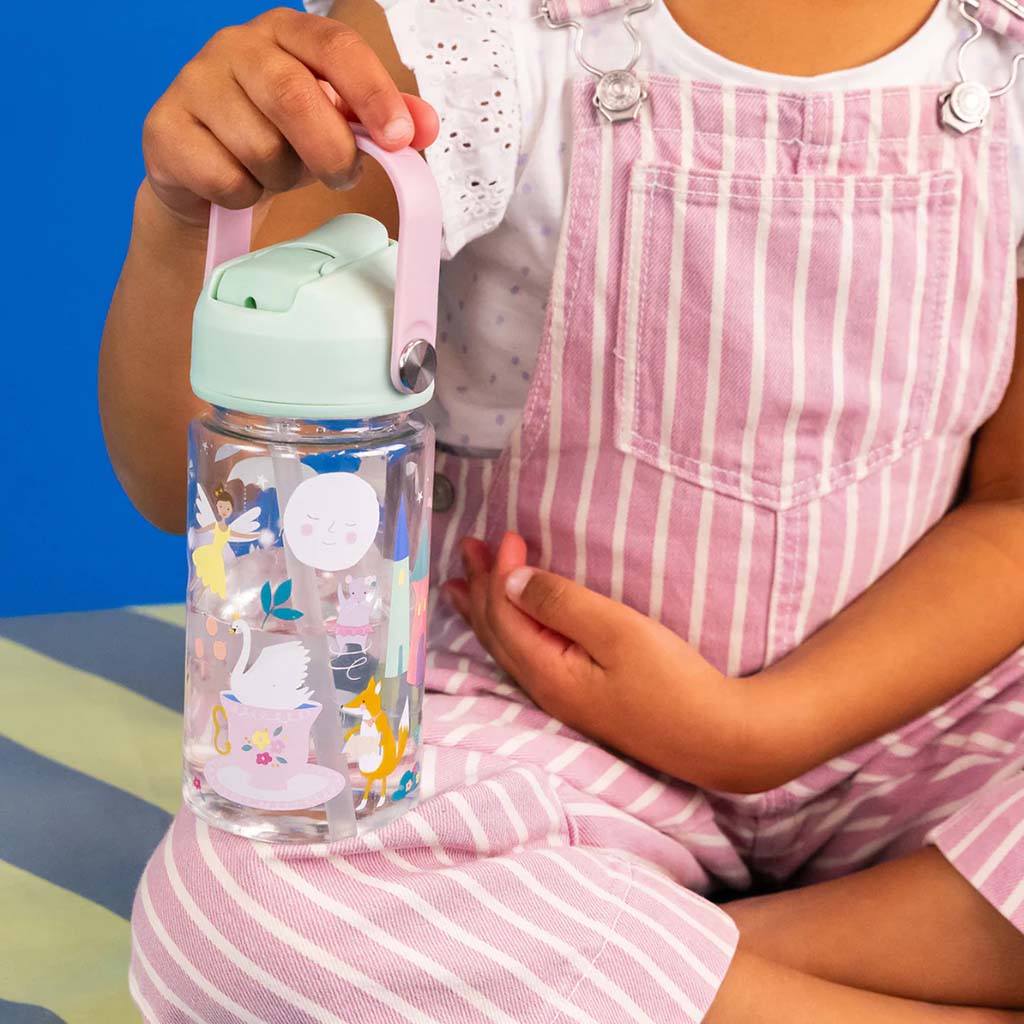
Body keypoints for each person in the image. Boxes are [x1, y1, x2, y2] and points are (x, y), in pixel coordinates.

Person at [101, 0, 1024, 1020]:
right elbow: (184, 472)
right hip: (529, 724)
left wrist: (762, 729)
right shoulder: (472, 31)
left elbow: (1013, 501)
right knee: (248, 906)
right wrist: (185, 222)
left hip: (920, 718)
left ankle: (642, 963)